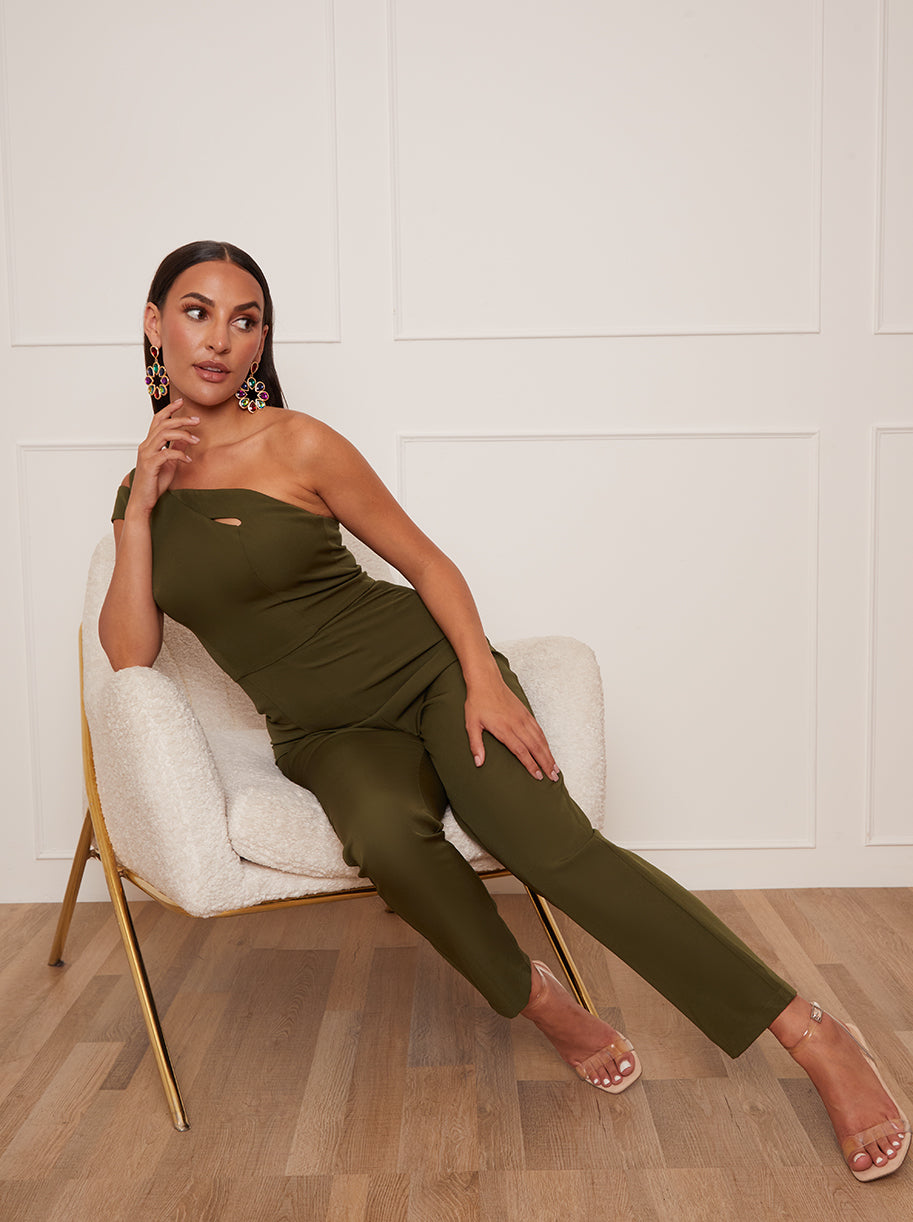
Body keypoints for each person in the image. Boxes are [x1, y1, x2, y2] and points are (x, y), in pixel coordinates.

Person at [99, 240, 909, 1182]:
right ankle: (539, 1000)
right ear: (154, 324)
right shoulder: (136, 495)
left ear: (261, 340)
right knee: (388, 844)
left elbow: (426, 563)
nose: (219, 340)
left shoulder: (298, 442)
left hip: (428, 671)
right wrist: (137, 510)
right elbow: (130, 656)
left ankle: (811, 1032)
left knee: (548, 847)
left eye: (245, 320)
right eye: (196, 312)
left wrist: (482, 679)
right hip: (323, 733)